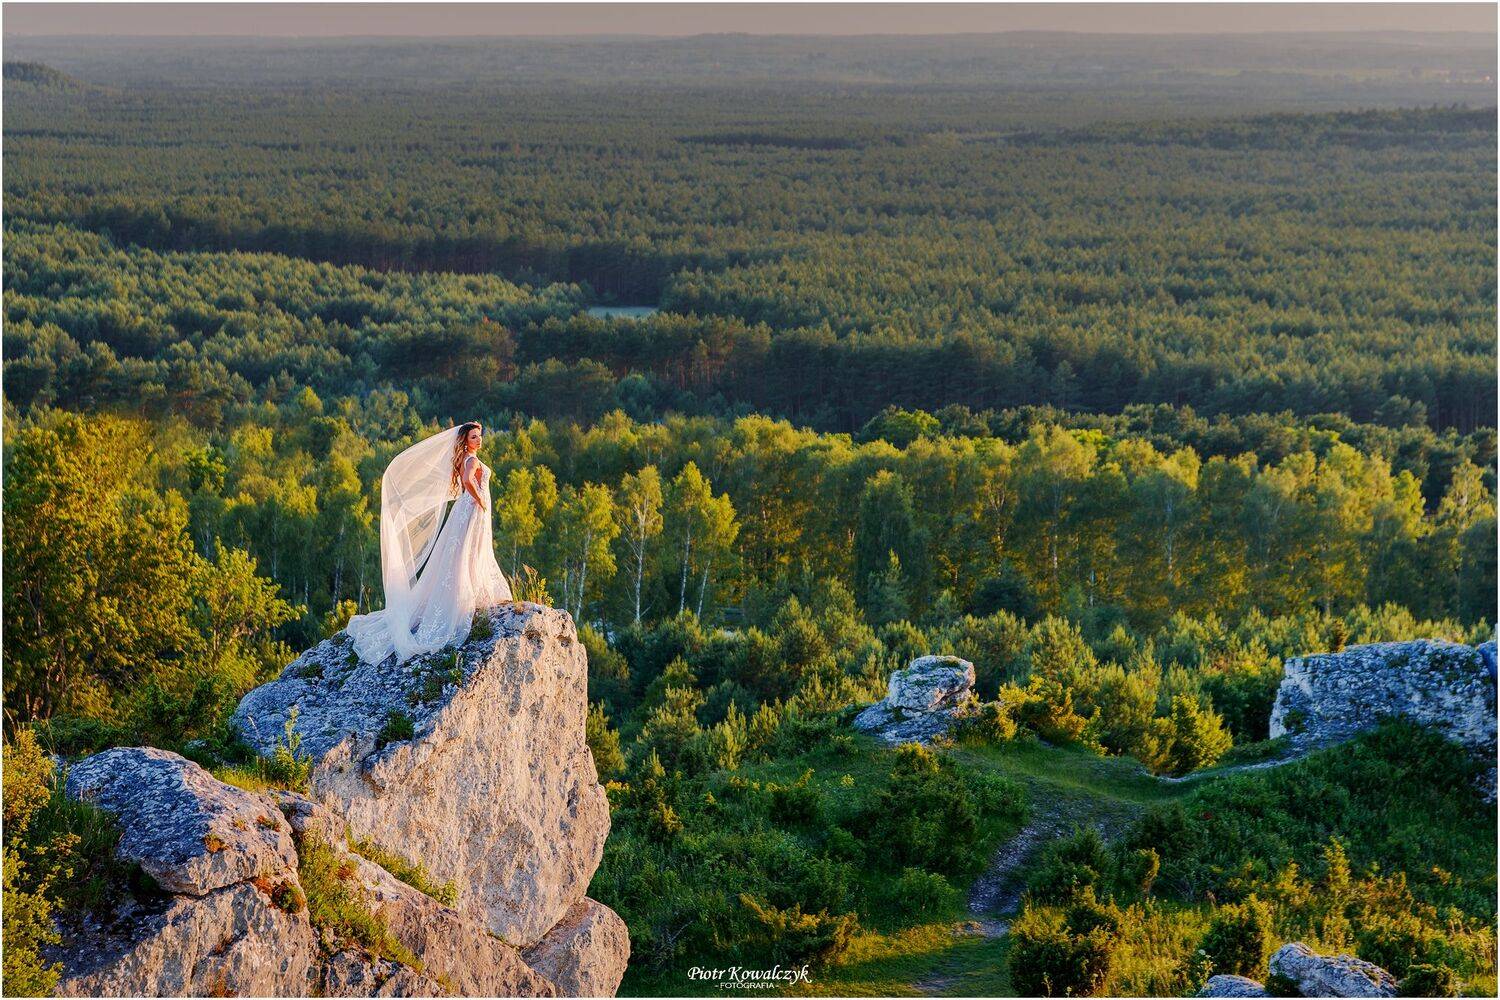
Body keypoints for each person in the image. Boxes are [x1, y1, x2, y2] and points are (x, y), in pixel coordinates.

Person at [346, 422, 513, 666]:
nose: (479, 440)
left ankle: (473, 590)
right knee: (468, 551)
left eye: (480, 436)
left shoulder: (466, 458)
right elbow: (467, 481)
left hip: (467, 509)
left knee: (465, 551)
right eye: (474, 437)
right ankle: (467, 595)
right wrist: (481, 501)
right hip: (472, 508)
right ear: (465, 440)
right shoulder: (471, 460)